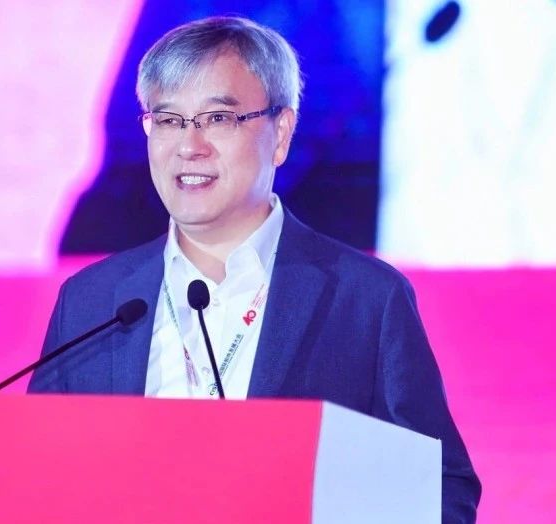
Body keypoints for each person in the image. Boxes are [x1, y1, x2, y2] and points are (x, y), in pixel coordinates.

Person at [28, 16, 481, 521]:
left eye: (218, 118)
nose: (190, 146)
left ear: (281, 132)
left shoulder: (366, 299)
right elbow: (37, 481)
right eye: (169, 120)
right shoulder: (91, 301)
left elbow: (440, 490)